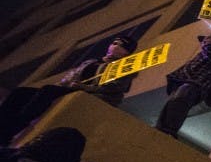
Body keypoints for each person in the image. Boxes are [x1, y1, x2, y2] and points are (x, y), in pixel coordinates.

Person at [0, 36, 136, 145]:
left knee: (48, 91)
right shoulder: (91, 62)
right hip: (71, 89)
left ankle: (14, 128)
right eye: (114, 43)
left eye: (121, 45)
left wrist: (83, 87)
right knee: (21, 92)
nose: (115, 46)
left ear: (127, 52)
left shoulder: (124, 67)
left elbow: (113, 89)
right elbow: (69, 78)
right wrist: (68, 84)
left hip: (93, 95)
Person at [155, 33, 211, 138]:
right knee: (171, 103)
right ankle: (161, 129)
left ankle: (169, 130)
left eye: (208, 38)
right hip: (186, 82)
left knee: (180, 101)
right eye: (203, 40)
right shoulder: (203, 53)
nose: (204, 41)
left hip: (197, 84)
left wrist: (208, 46)